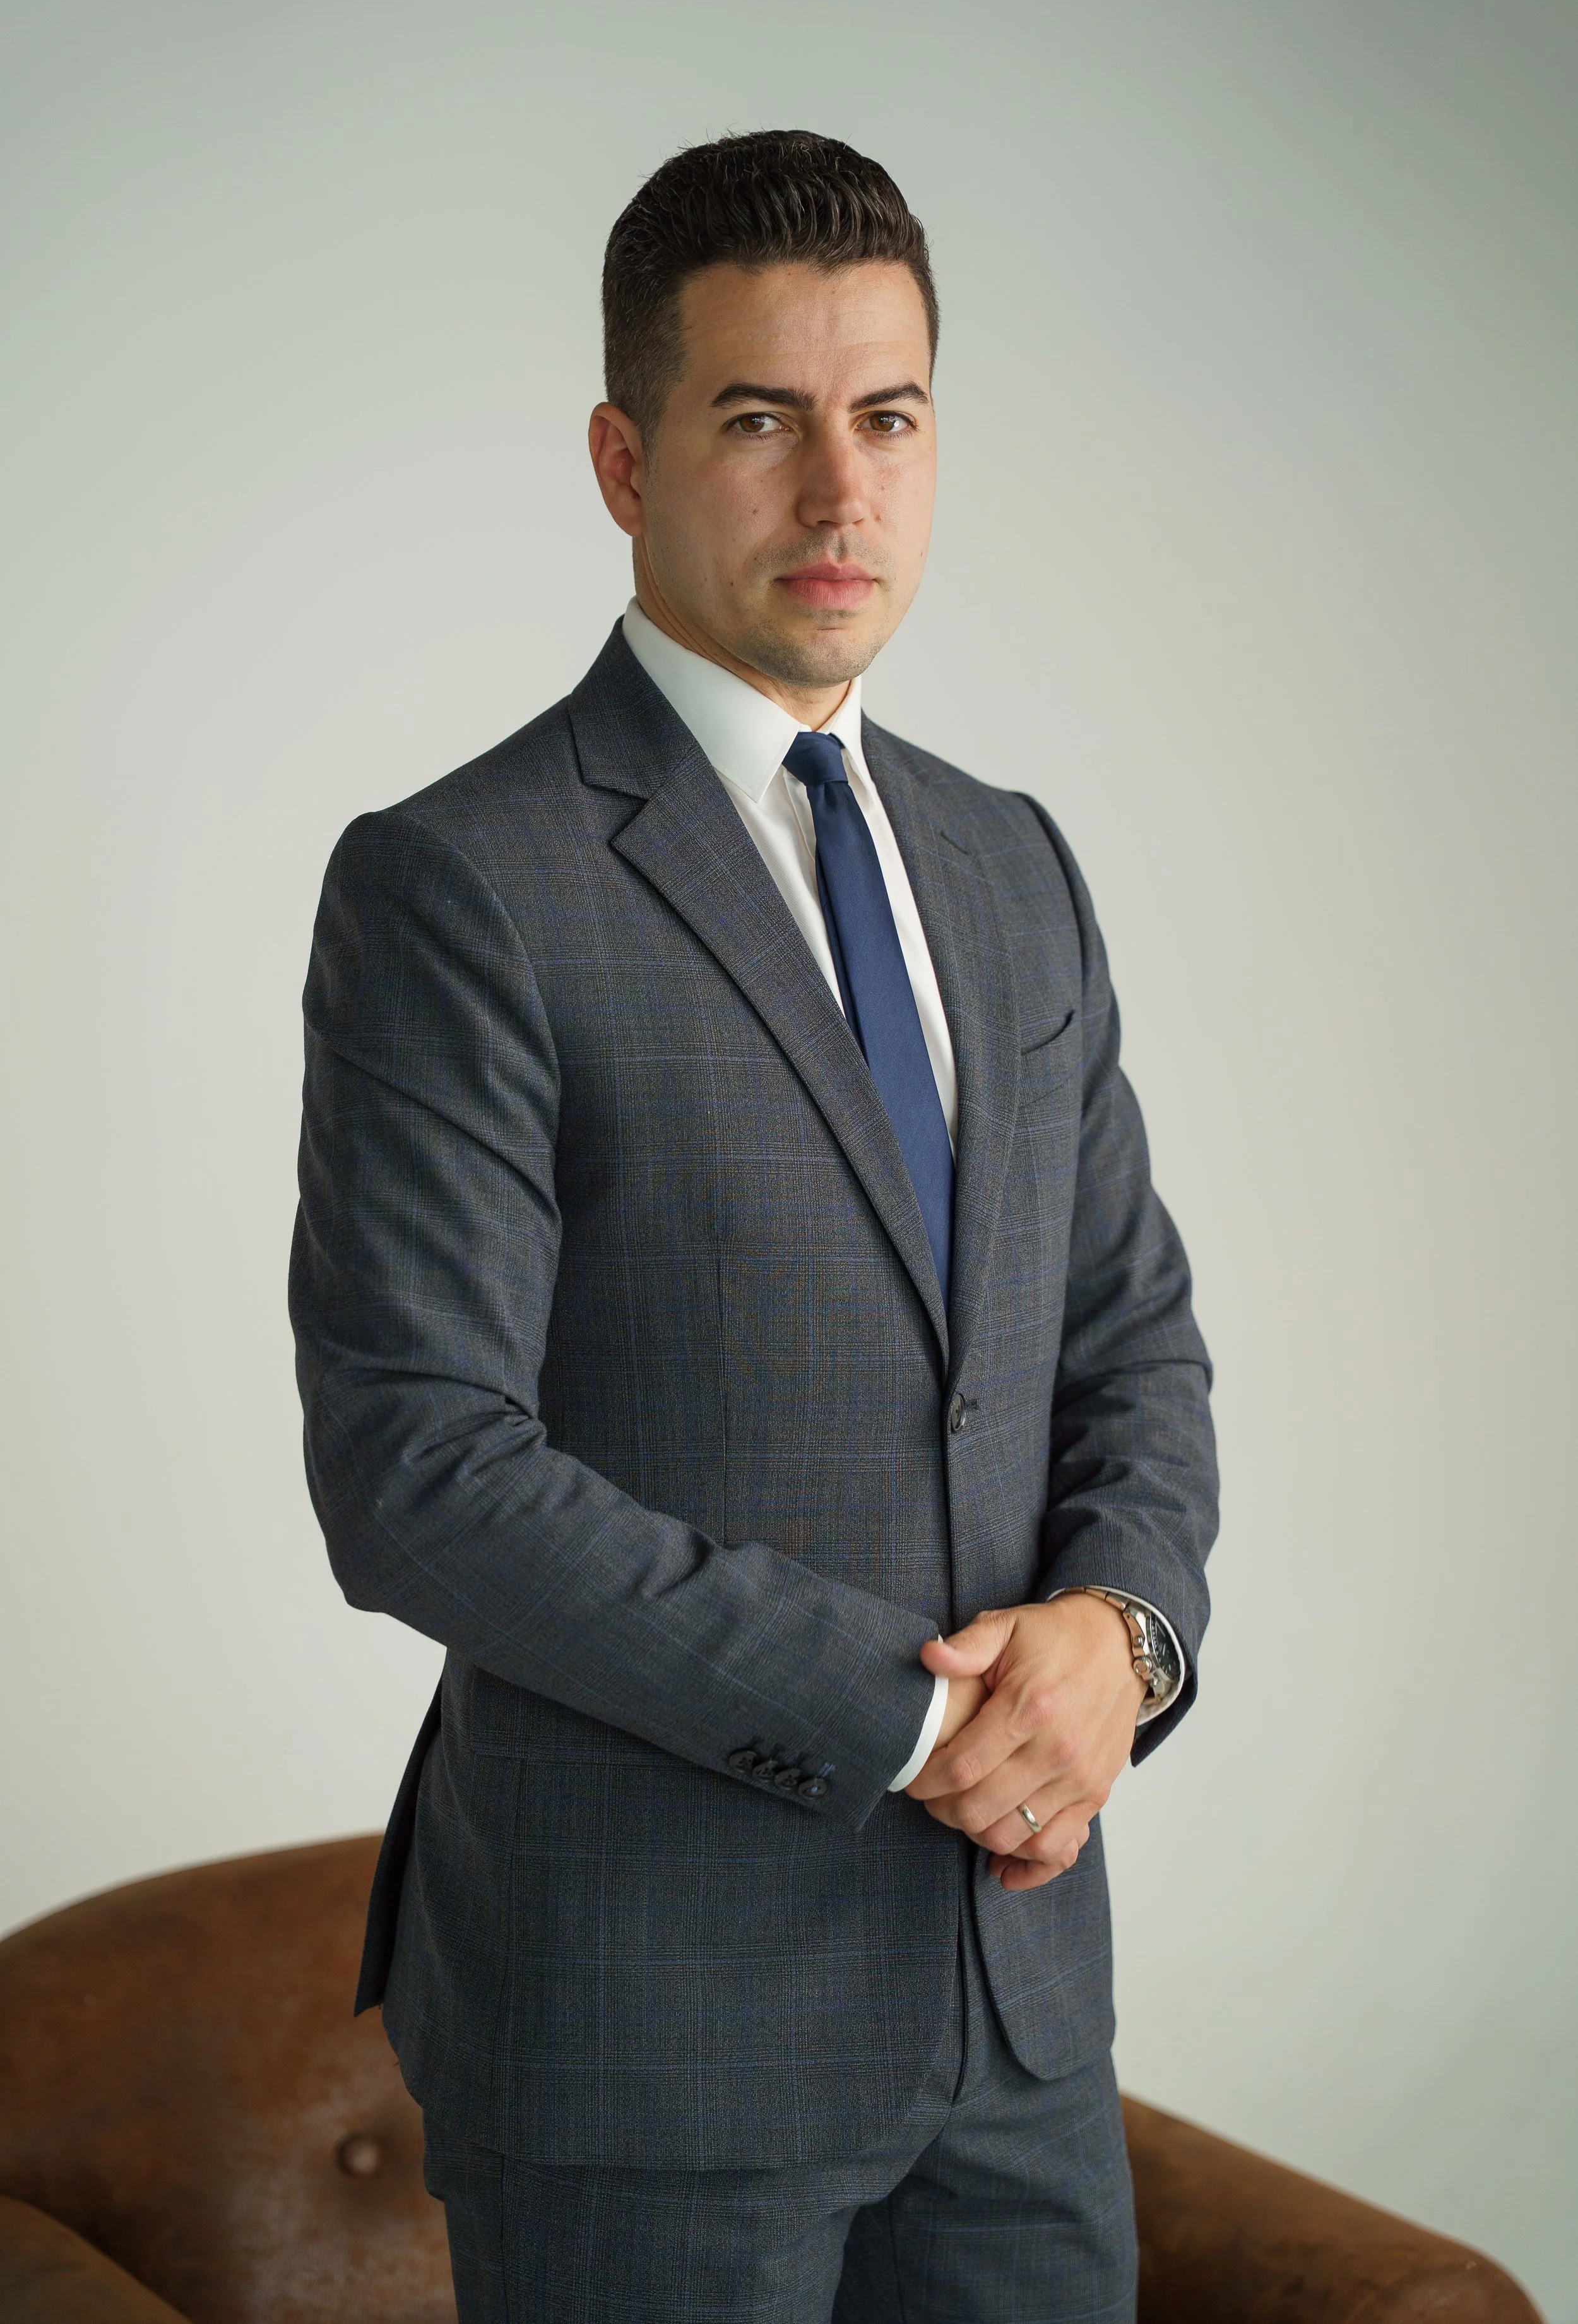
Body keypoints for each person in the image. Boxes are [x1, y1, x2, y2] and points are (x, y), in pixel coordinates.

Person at [290, 128, 1218, 2324]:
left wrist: (1123, 1641)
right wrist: (918, 1723)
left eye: (887, 417)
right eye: (757, 417)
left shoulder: (1010, 868)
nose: (839, 491)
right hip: (643, 2036)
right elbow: (417, 1469)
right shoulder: (464, 882)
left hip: (1012, 2022)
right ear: (624, 459)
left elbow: (1132, 1346)